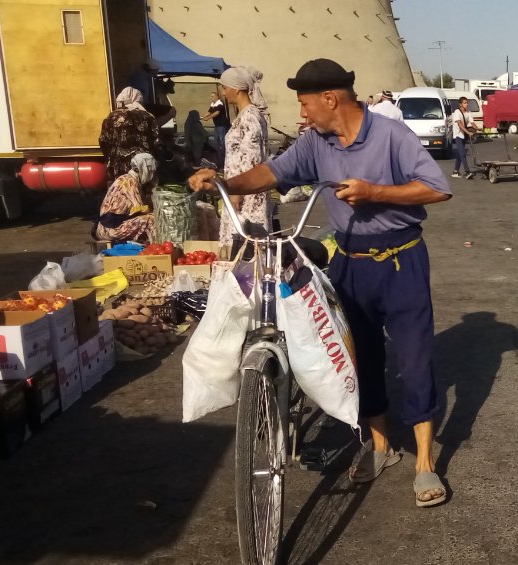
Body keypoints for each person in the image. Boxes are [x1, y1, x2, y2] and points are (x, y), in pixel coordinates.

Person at [187, 59, 451, 508]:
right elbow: (272, 173)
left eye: (306, 103)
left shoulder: (392, 136)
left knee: (415, 356)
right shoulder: (315, 144)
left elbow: (436, 187)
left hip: (401, 260)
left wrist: (376, 192)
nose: (302, 114)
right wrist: (225, 185)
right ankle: (381, 447)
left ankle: (425, 462)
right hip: (349, 261)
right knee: (361, 357)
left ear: (331, 99)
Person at [217, 66, 272, 250]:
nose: (224, 93)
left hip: (246, 193)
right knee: (240, 240)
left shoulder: (250, 117)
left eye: (225, 88)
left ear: (237, 88)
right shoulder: (244, 115)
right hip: (239, 188)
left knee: (245, 241)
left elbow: (251, 157)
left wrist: (237, 191)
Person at [99, 87, 160, 182]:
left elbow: (103, 141)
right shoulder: (148, 116)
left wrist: (110, 157)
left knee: (122, 190)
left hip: (118, 164)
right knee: (140, 192)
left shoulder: (111, 117)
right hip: (142, 164)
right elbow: (156, 140)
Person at [95, 153, 156, 243]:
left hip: (110, 226)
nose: (152, 175)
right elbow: (140, 209)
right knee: (151, 219)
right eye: (151, 171)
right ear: (144, 169)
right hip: (110, 228)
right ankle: (157, 249)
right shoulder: (130, 181)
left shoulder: (127, 179)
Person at [450, 97, 477, 179]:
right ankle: (467, 172)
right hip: (458, 135)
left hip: (463, 136)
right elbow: (460, 125)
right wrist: (468, 132)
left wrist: (477, 129)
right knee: (463, 154)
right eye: (465, 103)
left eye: (467, 102)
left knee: (459, 154)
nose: (467, 104)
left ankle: (455, 171)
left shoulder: (468, 112)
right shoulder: (456, 112)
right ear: (460, 104)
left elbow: (472, 123)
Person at [202, 91, 230, 168]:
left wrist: (208, 118)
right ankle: (219, 160)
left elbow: (217, 113)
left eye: (212, 96)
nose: (211, 97)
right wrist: (201, 117)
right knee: (217, 143)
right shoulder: (213, 104)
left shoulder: (219, 103)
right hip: (217, 126)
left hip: (222, 126)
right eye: (210, 96)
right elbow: (209, 112)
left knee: (221, 144)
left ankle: (224, 162)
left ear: (216, 97)